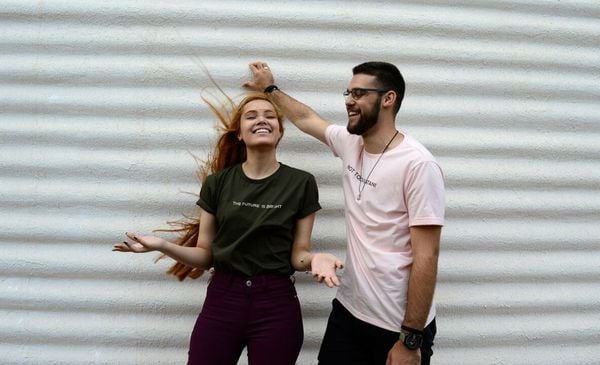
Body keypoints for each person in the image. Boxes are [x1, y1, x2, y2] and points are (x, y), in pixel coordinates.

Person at [113, 89, 343, 365]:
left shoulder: (301, 182)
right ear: (239, 133)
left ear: (280, 132)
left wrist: (316, 259)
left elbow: (298, 254)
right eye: (251, 116)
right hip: (223, 300)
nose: (262, 120)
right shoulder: (217, 183)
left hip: (276, 304)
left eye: (270, 116)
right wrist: (161, 245)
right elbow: (205, 256)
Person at [243, 61, 445, 365]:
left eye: (359, 93)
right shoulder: (351, 143)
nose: (349, 100)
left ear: (388, 99)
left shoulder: (418, 165)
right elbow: (306, 117)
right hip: (349, 313)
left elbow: (427, 256)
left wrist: (411, 337)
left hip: (397, 327)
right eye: (348, 92)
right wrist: (270, 89)